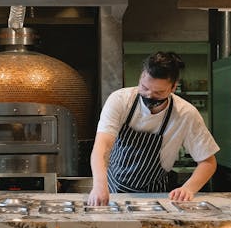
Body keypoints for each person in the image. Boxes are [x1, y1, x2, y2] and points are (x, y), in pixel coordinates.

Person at [86, 51, 219, 206]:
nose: (149, 95)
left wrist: (188, 189)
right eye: (144, 87)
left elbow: (208, 162)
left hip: (156, 196)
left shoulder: (185, 114)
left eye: (158, 92)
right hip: (112, 191)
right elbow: (102, 146)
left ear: (173, 87)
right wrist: (99, 185)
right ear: (141, 76)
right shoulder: (120, 101)